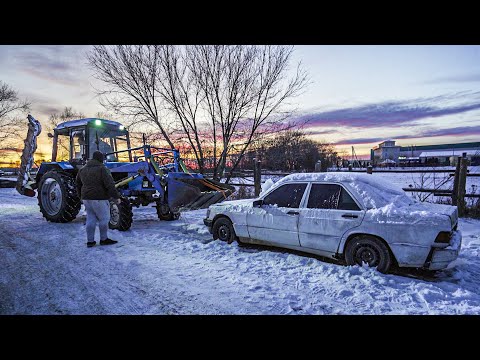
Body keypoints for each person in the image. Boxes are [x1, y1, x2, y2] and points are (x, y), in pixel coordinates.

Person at [76, 150, 121, 247]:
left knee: (91, 218)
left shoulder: (82, 169)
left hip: (86, 198)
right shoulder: (102, 169)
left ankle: (90, 241)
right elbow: (109, 184)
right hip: (99, 197)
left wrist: (80, 196)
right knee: (104, 219)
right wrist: (116, 196)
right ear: (100, 159)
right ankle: (104, 239)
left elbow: (78, 184)